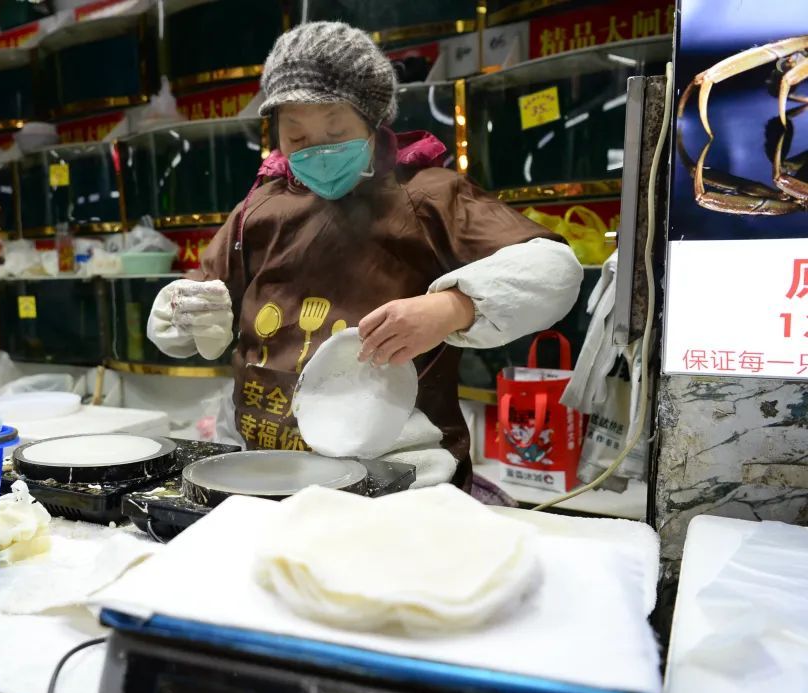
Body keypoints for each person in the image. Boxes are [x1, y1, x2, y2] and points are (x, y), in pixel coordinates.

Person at [148, 21, 583, 493]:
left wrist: (452, 307)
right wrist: (188, 312)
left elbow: (553, 270)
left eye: (336, 131)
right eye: (297, 138)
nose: (317, 151)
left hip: (396, 477)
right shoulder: (260, 208)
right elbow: (193, 305)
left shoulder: (427, 197)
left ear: (373, 123)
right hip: (267, 467)